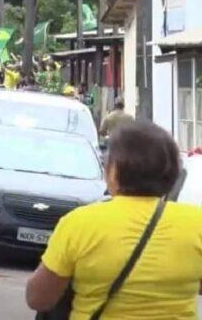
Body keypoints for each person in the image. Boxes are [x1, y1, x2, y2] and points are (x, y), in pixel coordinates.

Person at [25, 121, 202, 319]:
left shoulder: (80, 223)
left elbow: (38, 299)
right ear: (174, 173)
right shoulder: (196, 223)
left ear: (113, 170)